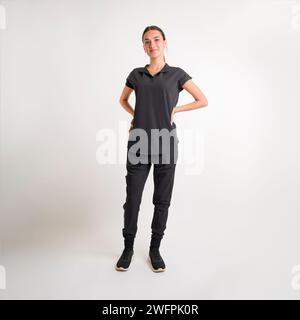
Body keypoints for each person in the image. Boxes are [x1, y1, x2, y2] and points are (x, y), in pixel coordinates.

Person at [116, 25, 208, 272]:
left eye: (156, 39)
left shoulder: (177, 74)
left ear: (165, 42)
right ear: (143, 46)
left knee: (161, 200)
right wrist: (136, 115)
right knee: (133, 199)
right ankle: (128, 248)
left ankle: (155, 249)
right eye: (147, 41)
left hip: (166, 143)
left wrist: (176, 109)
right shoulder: (136, 75)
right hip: (138, 143)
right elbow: (122, 99)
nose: (152, 44)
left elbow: (203, 100)